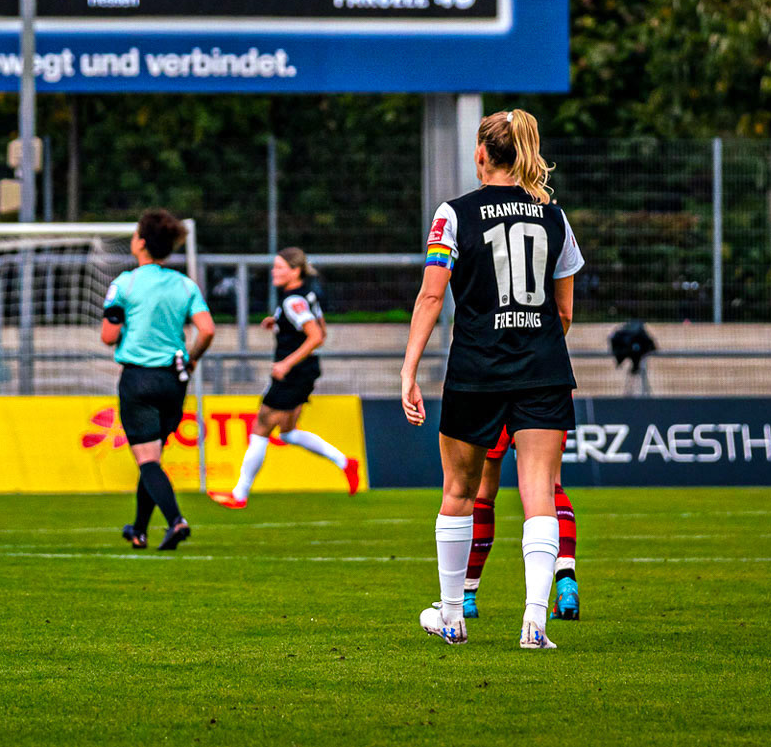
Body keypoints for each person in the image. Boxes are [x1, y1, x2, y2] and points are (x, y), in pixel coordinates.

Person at [401, 108, 583, 650]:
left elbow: (433, 295)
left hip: (476, 368)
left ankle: (453, 616)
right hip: (542, 369)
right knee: (539, 496)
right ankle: (534, 622)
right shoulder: (556, 217)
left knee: (458, 491)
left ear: (481, 154)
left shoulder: (451, 215)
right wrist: (532, 347)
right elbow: (565, 312)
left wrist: (409, 369)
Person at [208, 247, 360, 507]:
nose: (273, 271)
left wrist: (286, 364)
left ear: (295, 271)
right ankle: (346, 463)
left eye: (279, 267)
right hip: (306, 371)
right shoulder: (304, 295)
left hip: (294, 373)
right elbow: (319, 328)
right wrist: (278, 322)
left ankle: (239, 494)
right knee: (288, 433)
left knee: (260, 428)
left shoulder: (293, 301)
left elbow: (315, 337)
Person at [102, 208, 215, 551]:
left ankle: (176, 520)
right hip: (173, 381)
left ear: (141, 243)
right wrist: (192, 359)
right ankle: (138, 530)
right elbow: (207, 329)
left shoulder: (125, 284)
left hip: (138, 380)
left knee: (147, 460)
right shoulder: (184, 285)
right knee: (151, 457)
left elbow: (108, 337)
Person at [459, 427, 580, 621]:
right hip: (542, 397)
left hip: (492, 397)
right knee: (549, 484)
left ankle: (466, 596)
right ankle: (566, 586)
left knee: (483, 490)